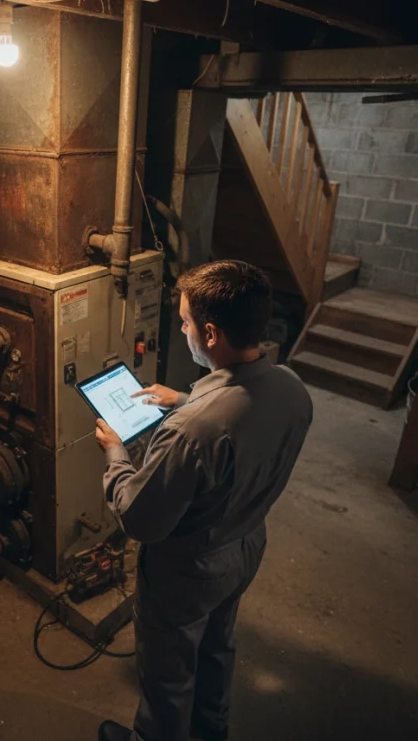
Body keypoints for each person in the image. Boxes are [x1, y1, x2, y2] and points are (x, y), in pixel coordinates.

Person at [94, 260, 313, 741]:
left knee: (168, 681)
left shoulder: (192, 432)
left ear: (210, 334)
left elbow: (139, 518)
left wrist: (115, 452)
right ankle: (211, 731)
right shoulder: (293, 389)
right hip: (245, 548)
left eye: (186, 322)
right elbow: (240, 413)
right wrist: (184, 399)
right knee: (216, 649)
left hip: (187, 574)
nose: (184, 330)